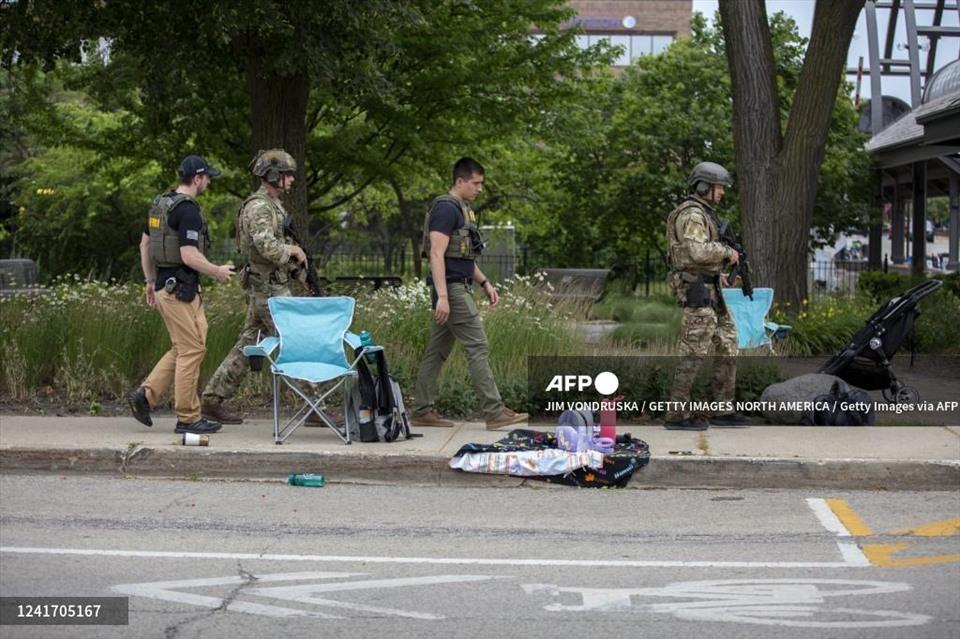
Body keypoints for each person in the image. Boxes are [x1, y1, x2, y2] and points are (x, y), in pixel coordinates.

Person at [411, 157, 529, 431]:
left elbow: (461, 257)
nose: (479, 189)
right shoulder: (446, 208)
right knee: (478, 345)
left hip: (457, 285)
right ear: (460, 181)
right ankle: (494, 411)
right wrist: (442, 296)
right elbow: (436, 254)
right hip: (451, 290)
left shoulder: (463, 210)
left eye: (481, 184)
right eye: (476, 183)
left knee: (437, 351)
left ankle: (422, 410)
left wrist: (485, 282)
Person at [127, 155, 234, 434]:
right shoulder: (187, 211)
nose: (208, 182)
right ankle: (188, 418)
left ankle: (146, 395)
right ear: (197, 179)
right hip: (179, 291)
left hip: (169, 286)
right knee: (192, 350)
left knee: (187, 345)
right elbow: (188, 254)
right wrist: (216, 271)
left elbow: (145, 243)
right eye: (207, 177)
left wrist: (150, 280)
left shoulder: (160, 204)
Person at [200, 149, 307, 424]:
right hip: (268, 289)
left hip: (269, 284)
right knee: (294, 340)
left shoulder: (271, 204)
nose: (292, 179)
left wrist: (295, 268)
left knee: (250, 342)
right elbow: (266, 246)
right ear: (273, 175)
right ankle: (313, 405)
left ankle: (212, 399)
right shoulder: (260, 207)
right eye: (287, 174)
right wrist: (292, 251)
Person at [664, 161, 749, 431]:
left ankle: (723, 409)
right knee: (693, 352)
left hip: (711, 290)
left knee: (728, 343)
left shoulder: (704, 214)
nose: (722, 193)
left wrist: (719, 276)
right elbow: (696, 252)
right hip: (697, 293)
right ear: (703, 186)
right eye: (718, 187)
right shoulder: (692, 215)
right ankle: (676, 415)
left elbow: (699, 259)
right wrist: (726, 253)